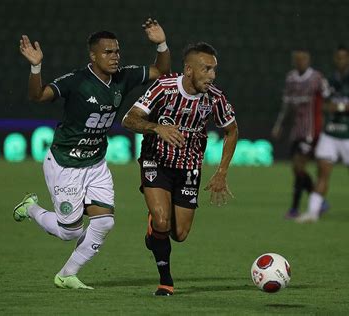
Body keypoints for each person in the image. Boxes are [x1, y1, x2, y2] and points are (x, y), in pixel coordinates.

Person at [13, 18, 171, 289]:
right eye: (108, 52)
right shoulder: (77, 81)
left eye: (117, 51)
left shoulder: (123, 77)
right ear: (93, 55)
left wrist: (161, 44)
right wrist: (36, 66)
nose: (114, 57)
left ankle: (66, 275)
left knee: (105, 222)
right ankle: (31, 208)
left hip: (96, 163)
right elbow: (38, 96)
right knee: (69, 232)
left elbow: (161, 70)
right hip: (65, 163)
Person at [122, 42, 238, 296]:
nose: (212, 76)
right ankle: (166, 281)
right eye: (206, 69)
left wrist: (221, 172)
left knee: (180, 234)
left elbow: (232, 130)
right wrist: (156, 128)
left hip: (189, 167)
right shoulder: (164, 88)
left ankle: (155, 231)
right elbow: (129, 119)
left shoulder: (214, 98)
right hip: (157, 161)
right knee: (163, 221)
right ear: (188, 70)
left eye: (214, 70)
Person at [297, 45, 349, 224]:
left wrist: (341, 107)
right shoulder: (330, 79)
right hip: (331, 133)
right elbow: (324, 103)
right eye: (338, 57)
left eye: (344, 57)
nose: (340, 60)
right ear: (335, 59)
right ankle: (312, 212)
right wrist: (327, 107)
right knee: (323, 172)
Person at [271, 49, 330, 219]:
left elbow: (328, 98)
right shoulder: (291, 78)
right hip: (297, 130)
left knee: (299, 166)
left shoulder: (317, 78)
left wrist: (325, 119)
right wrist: (279, 125)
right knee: (297, 169)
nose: (300, 62)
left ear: (308, 60)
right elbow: (287, 105)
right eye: (297, 59)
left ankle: (294, 209)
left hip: (312, 130)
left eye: (303, 59)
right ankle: (318, 200)